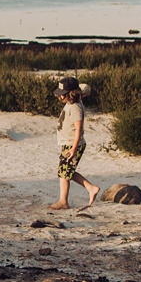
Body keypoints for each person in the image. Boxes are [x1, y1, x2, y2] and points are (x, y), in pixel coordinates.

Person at [50, 76, 101, 210]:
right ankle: (91, 188)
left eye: (63, 95)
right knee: (66, 171)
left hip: (73, 144)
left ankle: (64, 201)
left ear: (71, 94)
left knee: (64, 172)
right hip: (69, 143)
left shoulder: (75, 108)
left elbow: (79, 129)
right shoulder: (74, 101)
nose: (60, 97)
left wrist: (73, 148)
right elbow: (86, 88)